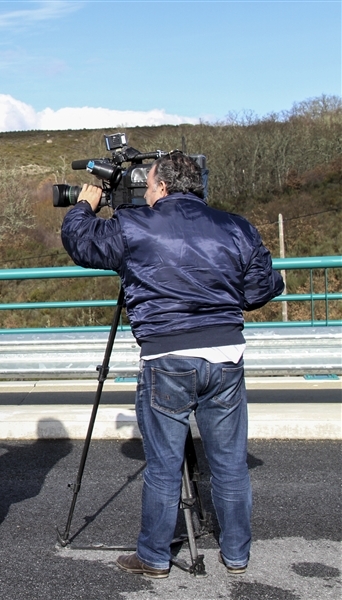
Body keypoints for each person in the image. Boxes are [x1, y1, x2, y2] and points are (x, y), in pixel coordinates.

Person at [61, 152, 284, 578]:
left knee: (163, 465)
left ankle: (154, 556)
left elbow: (82, 243)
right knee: (230, 463)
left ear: (162, 186)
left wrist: (84, 205)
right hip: (225, 356)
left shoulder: (133, 225)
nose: (145, 193)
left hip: (166, 355)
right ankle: (236, 554)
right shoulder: (236, 227)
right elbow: (258, 290)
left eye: (148, 186)